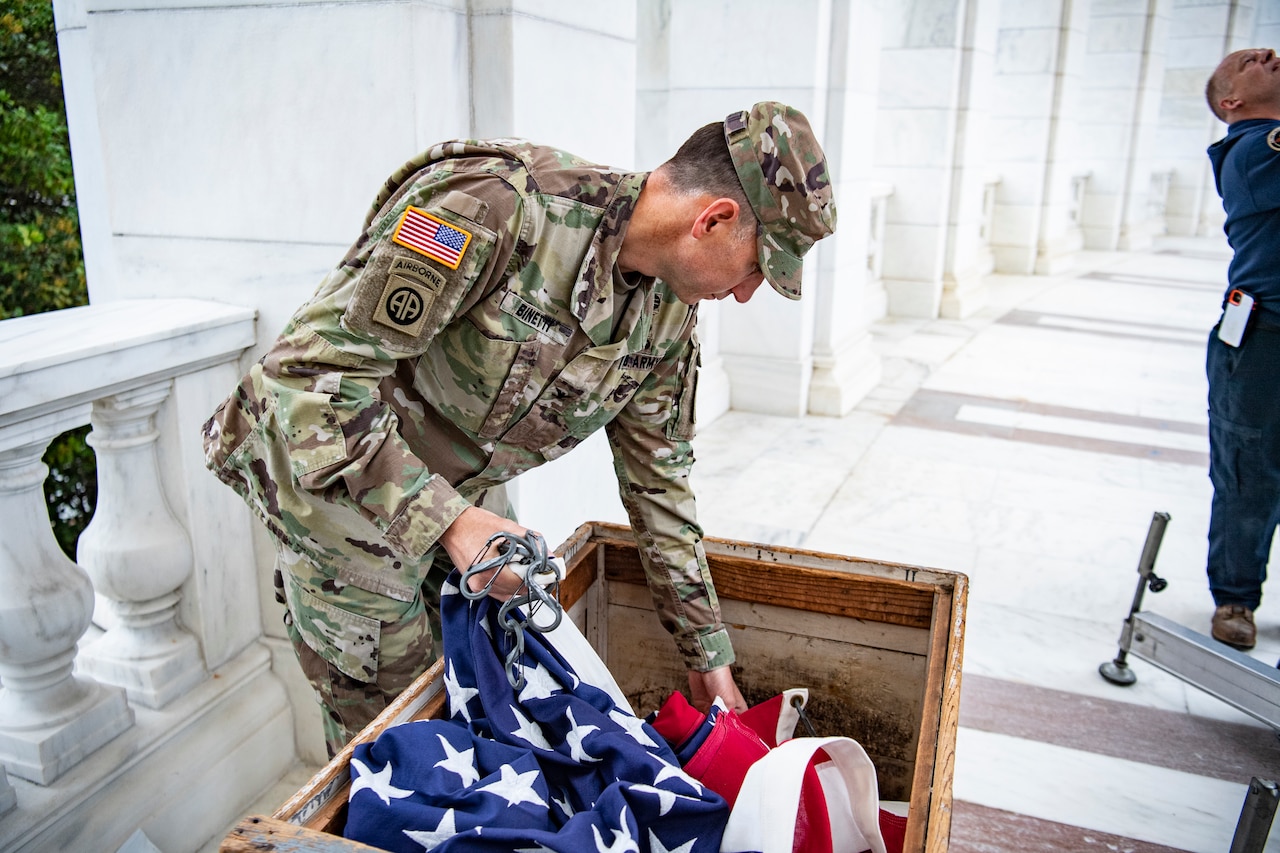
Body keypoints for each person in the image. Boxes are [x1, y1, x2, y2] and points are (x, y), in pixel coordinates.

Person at [202, 102, 837, 754]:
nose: (745, 293)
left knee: (481, 725)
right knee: (406, 759)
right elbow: (306, 377)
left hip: (464, 515)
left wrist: (706, 652)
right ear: (715, 219)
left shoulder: (667, 317)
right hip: (348, 512)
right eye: (759, 267)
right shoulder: (495, 204)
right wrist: (450, 521)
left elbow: (661, 484)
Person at [1201, 48, 1280, 650]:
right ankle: (1235, 596)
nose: (1272, 55)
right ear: (1232, 102)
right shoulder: (1254, 148)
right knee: (1247, 471)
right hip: (1263, 338)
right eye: (1255, 60)